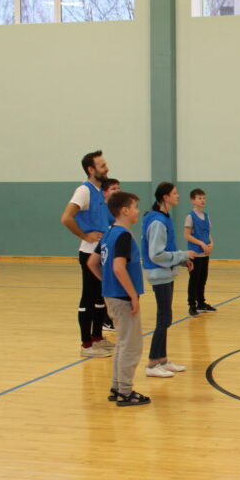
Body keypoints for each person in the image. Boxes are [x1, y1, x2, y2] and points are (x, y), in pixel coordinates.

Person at [86, 191, 151, 407]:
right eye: (134, 207)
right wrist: (132, 295)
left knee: (122, 344)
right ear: (124, 210)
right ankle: (125, 391)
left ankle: (117, 387)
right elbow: (118, 267)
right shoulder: (123, 235)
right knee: (131, 345)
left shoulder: (108, 233)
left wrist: (107, 283)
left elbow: (92, 262)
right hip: (122, 298)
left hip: (111, 295)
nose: (137, 211)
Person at [60, 150, 113, 358]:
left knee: (100, 298)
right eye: (102, 166)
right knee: (89, 298)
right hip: (89, 253)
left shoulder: (99, 191)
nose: (107, 168)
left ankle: (97, 338)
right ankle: (86, 344)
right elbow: (66, 218)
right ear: (91, 170)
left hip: (101, 252)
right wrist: (84, 235)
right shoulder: (84, 191)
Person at [142, 182, 195, 377]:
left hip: (165, 273)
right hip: (159, 275)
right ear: (165, 197)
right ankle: (151, 364)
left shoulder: (165, 217)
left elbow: (166, 250)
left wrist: (181, 261)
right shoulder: (157, 221)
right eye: (174, 193)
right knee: (163, 318)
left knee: (166, 318)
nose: (178, 195)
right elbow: (156, 254)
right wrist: (183, 254)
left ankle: (162, 360)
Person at [184, 188, 216, 317]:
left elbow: (208, 233)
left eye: (203, 198)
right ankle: (192, 305)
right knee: (194, 280)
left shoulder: (206, 216)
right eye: (199, 198)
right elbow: (187, 235)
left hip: (204, 254)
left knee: (202, 279)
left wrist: (211, 244)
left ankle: (201, 303)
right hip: (195, 254)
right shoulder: (190, 217)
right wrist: (201, 244)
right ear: (193, 200)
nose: (202, 200)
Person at [99, 177, 121, 333]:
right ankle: (106, 320)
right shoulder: (102, 210)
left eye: (119, 188)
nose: (117, 191)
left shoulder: (116, 210)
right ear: (104, 192)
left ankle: (111, 317)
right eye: (114, 189)